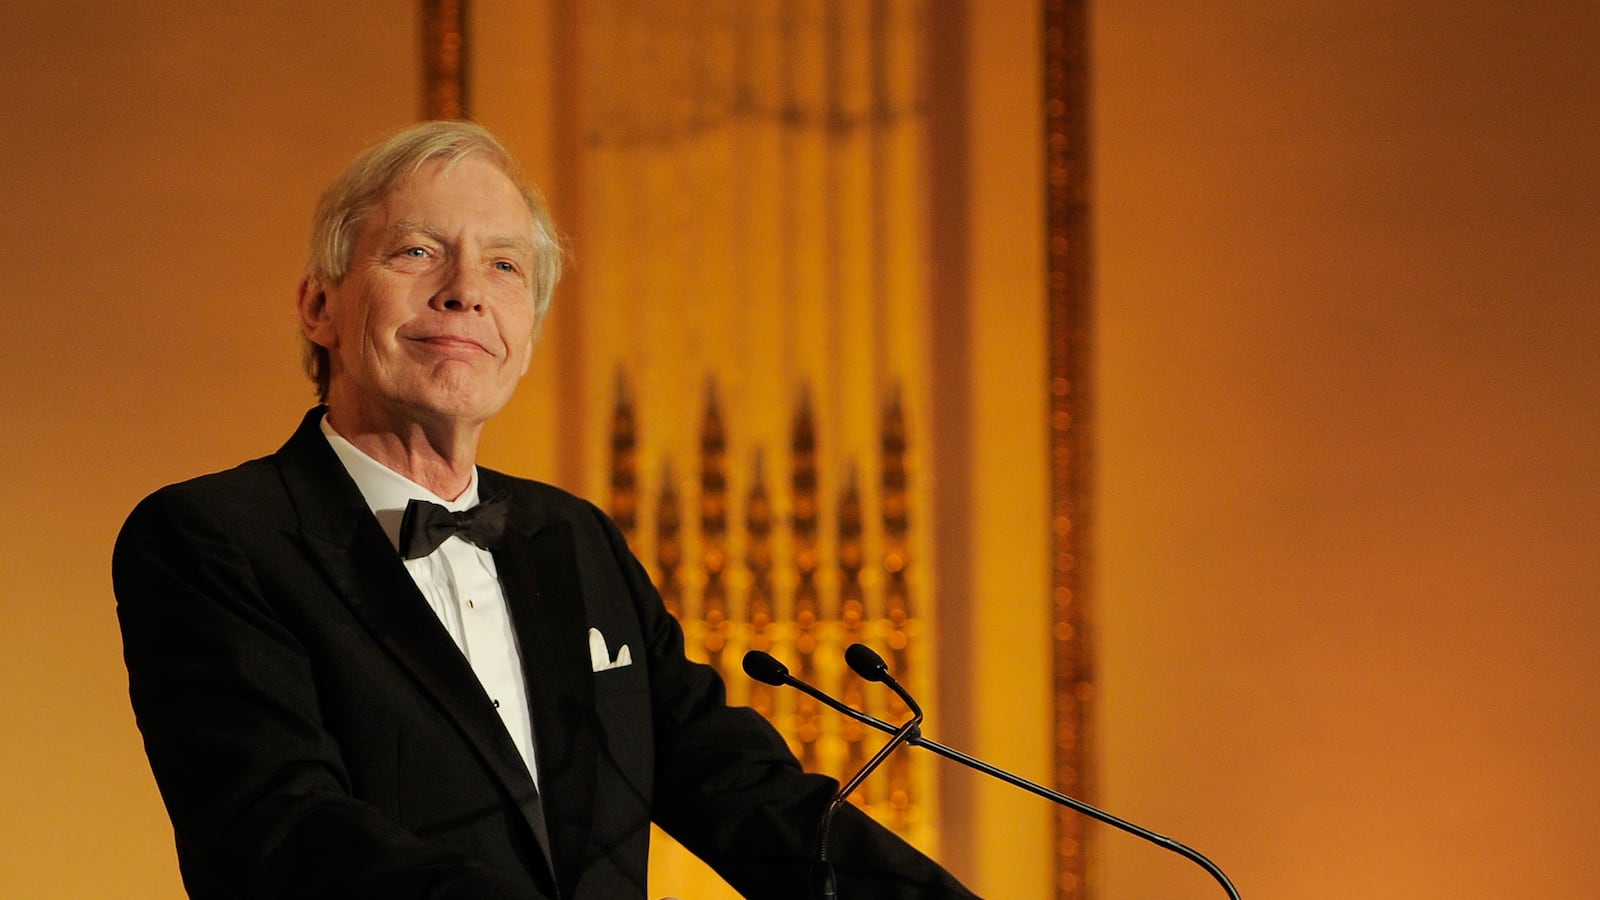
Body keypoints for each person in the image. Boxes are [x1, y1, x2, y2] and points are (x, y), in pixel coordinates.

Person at [112, 120, 976, 900]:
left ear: (527, 327)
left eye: (504, 265)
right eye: (416, 252)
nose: (465, 291)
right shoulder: (214, 537)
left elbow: (746, 796)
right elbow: (277, 830)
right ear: (319, 306)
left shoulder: (576, 540)